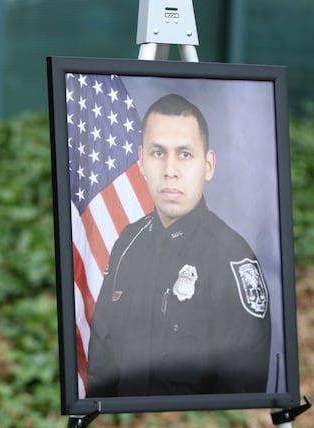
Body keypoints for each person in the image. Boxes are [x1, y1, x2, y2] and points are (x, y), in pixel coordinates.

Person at [86, 93, 271, 397]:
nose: (170, 170)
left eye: (184, 154)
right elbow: (102, 367)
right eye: (158, 153)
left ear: (208, 165)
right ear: (141, 162)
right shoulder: (127, 243)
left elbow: (241, 396)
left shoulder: (232, 258)